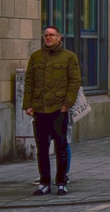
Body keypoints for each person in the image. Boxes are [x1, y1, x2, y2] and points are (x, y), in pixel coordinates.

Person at [24, 26, 81, 197]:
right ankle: (44, 182)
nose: (48, 38)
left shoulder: (69, 57)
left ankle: (61, 182)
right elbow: (29, 81)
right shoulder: (36, 57)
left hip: (58, 108)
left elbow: (75, 82)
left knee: (61, 146)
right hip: (40, 108)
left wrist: (66, 105)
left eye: (51, 35)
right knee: (42, 148)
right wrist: (28, 104)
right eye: (46, 35)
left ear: (59, 38)